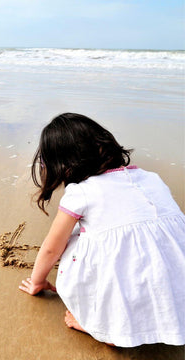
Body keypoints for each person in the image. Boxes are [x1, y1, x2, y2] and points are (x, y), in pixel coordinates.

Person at [18, 113, 185, 347]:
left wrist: (37, 282)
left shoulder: (81, 193)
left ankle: (105, 328)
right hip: (177, 283)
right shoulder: (152, 179)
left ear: (63, 164)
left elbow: (51, 249)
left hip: (129, 290)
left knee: (78, 239)